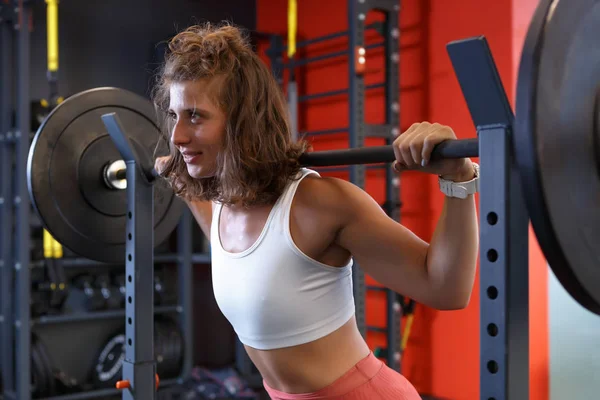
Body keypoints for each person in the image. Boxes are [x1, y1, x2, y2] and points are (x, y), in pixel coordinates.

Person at [152, 22, 479, 400]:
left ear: (242, 120)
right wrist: (180, 179)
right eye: (175, 115)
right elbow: (246, 262)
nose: (176, 136)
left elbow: (446, 289)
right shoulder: (223, 207)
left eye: (195, 116)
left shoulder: (321, 203)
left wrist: (459, 177)